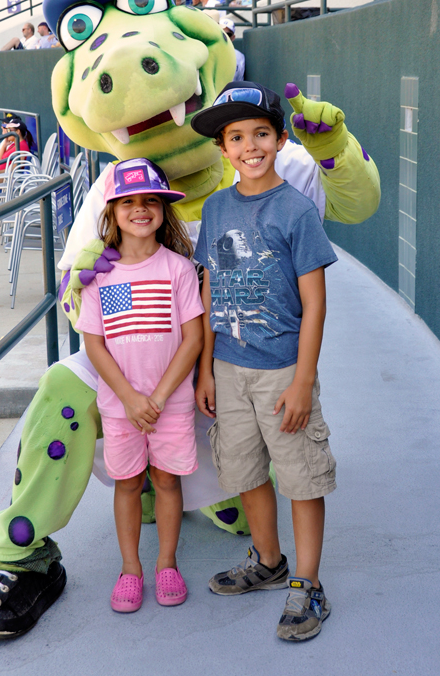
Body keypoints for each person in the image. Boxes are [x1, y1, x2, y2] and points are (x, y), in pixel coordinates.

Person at [191, 81, 337, 642]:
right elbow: (210, 291)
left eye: (260, 134)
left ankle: (307, 583)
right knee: (246, 470)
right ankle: (269, 562)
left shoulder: (296, 210)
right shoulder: (216, 206)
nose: (249, 145)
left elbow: (315, 302)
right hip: (227, 367)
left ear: (278, 140)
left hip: (281, 370)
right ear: (223, 149)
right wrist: (205, 367)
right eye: (236, 137)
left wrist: (302, 381)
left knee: (300, 476)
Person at [77, 158, 204, 613]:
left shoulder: (178, 270)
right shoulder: (99, 277)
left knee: (167, 482)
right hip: (120, 407)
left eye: (150, 200)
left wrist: (158, 398)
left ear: (163, 210)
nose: (140, 209)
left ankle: (165, 562)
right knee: (128, 484)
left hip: (169, 405)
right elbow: (94, 345)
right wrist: (131, 399)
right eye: (128, 201)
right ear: (112, 212)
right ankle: (130, 568)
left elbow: (192, 340)